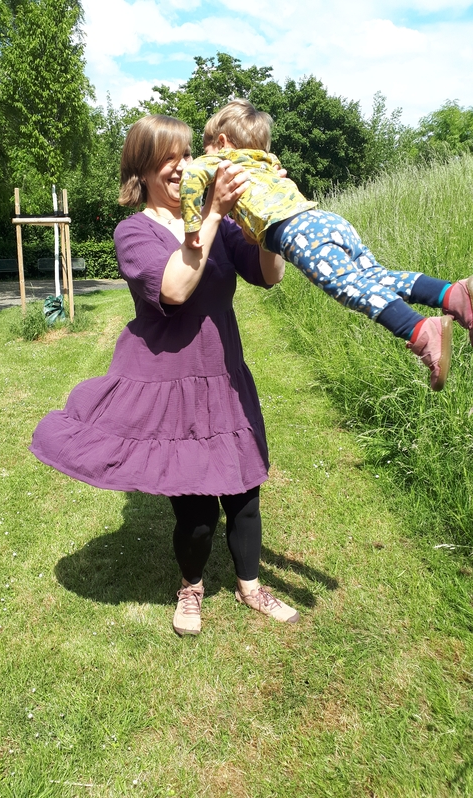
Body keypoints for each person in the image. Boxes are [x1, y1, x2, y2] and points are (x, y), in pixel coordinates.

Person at [30, 114, 300, 636]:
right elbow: (174, 290)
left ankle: (250, 587)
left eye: (187, 155)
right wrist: (212, 213)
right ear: (143, 169)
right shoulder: (134, 231)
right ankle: (191, 588)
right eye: (168, 158)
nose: (182, 167)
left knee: (245, 493)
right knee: (196, 510)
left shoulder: (223, 224)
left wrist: (270, 218)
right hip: (171, 382)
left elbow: (269, 275)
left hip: (224, 374)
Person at [180, 99, 473, 392]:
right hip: (323, 220)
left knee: (349, 287)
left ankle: (420, 331)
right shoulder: (267, 162)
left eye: (204, 148)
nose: (203, 156)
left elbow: (192, 176)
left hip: (297, 233)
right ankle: (453, 294)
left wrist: (193, 226)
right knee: (375, 276)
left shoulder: (222, 161)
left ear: (221, 142)